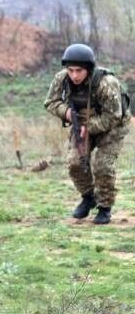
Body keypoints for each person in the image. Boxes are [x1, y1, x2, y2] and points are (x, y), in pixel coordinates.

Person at [44, 44, 130, 225]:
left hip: (113, 126)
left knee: (103, 165)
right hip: (81, 123)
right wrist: (66, 112)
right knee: (75, 162)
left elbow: (114, 116)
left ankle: (105, 207)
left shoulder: (107, 83)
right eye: (70, 70)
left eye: (79, 71)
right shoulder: (62, 79)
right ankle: (88, 197)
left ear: (89, 69)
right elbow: (50, 102)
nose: (74, 75)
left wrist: (88, 127)